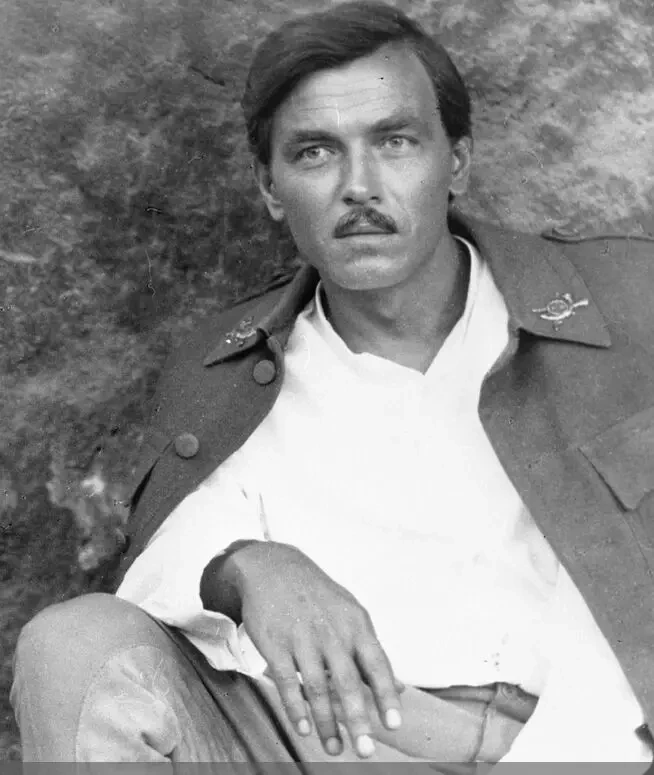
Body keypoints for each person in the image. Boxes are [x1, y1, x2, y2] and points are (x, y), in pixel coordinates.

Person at [11, 1, 654, 766]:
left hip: (590, 735)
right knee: (69, 642)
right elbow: (165, 561)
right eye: (316, 152)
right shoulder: (228, 367)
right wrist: (247, 565)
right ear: (270, 186)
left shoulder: (625, 302)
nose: (359, 185)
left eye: (395, 141)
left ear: (457, 161)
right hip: (331, 739)